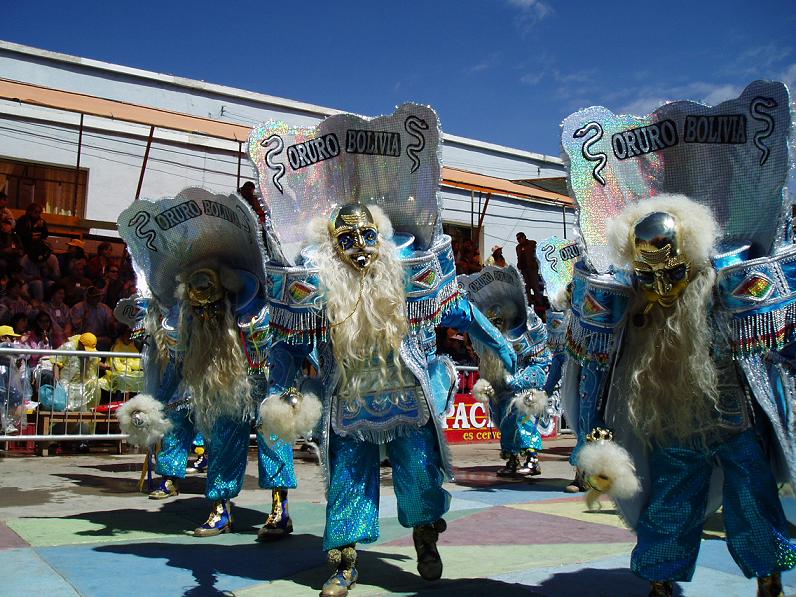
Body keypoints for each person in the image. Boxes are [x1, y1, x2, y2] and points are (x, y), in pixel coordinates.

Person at [251, 105, 516, 596]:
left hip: (408, 398)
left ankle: (424, 537)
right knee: (348, 479)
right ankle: (344, 562)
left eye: (366, 235)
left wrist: (497, 341)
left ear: (381, 235)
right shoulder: (320, 289)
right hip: (348, 401)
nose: (359, 247)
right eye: (345, 239)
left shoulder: (411, 275)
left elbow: (457, 309)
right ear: (331, 247)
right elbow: (288, 337)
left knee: (419, 479)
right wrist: (285, 384)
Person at [560, 81, 796, 597]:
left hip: (734, 415)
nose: (659, 275)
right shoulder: (627, 298)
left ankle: (769, 577)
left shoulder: (727, 286)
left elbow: (780, 348)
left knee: (755, 496)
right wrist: (594, 433)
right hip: (667, 419)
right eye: (646, 261)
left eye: (668, 258)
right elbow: (597, 366)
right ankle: (662, 581)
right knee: (670, 500)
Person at [116, 189, 299, 539]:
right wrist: (153, 406)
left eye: (212, 306)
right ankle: (220, 508)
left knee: (275, 439)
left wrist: (288, 392)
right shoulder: (192, 326)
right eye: (199, 308)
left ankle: (280, 509)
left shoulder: (259, 317)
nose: (206, 312)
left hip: (264, 384)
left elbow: (287, 353)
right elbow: (175, 369)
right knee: (221, 440)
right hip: (224, 387)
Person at [462, 266, 552, 478]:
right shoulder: (488, 342)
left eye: (499, 322)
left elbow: (541, 362)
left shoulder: (526, 333)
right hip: (501, 392)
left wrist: (519, 380)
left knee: (522, 419)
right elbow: (486, 363)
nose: (496, 326)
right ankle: (512, 459)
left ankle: (532, 459)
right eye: (492, 323)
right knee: (503, 421)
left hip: (523, 391)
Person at [68, 286, 115, 350]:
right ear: (87, 297)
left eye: (98, 296)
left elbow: (110, 326)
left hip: (100, 338)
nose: (97, 299)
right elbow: (75, 328)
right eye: (94, 297)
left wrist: (111, 324)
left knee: (109, 341)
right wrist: (84, 319)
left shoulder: (105, 308)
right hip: (83, 337)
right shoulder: (78, 308)